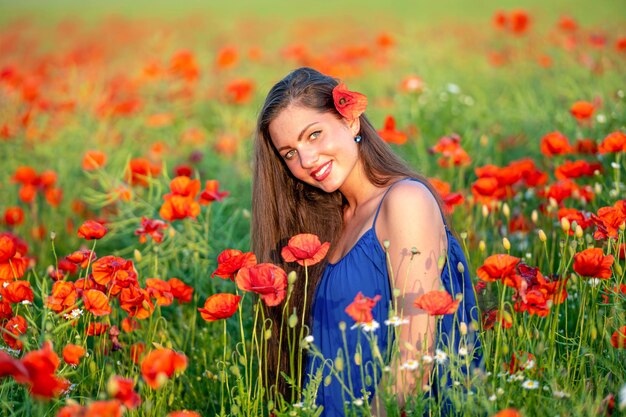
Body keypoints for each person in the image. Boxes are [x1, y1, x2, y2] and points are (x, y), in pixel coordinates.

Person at [252, 67, 482, 416]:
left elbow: (414, 360)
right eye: (289, 153)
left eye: (313, 135)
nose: (306, 161)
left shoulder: (405, 201)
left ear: (351, 122)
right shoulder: (329, 224)